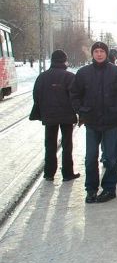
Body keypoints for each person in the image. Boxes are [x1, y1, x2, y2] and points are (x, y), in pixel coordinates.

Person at [70, 41, 117, 203]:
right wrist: (81, 110)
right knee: (90, 158)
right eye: (96, 51)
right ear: (92, 54)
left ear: (106, 54)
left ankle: (109, 189)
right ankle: (91, 189)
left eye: (102, 51)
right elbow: (74, 93)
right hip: (91, 121)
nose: (99, 54)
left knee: (111, 159)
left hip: (112, 122)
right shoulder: (83, 73)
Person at [31, 49, 80, 182]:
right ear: (65, 60)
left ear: (52, 60)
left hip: (49, 115)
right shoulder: (69, 77)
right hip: (67, 116)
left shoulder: (42, 77)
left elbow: (36, 95)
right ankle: (67, 173)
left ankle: (49, 173)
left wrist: (44, 109)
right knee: (67, 144)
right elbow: (75, 96)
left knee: (50, 143)